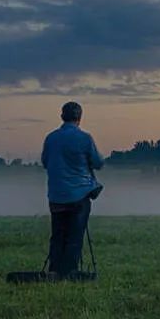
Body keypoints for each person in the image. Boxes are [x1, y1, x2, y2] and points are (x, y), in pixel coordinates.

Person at [41, 101, 104, 277]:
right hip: (79, 195)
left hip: (56, 195)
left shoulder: (50, 138)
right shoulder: (85, 138)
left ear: (62, 116)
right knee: (75, 237)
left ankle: (54, 270)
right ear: (80, 118)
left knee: (58, 234)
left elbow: (45, 162)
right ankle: (69, 271)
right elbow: (98, 163)